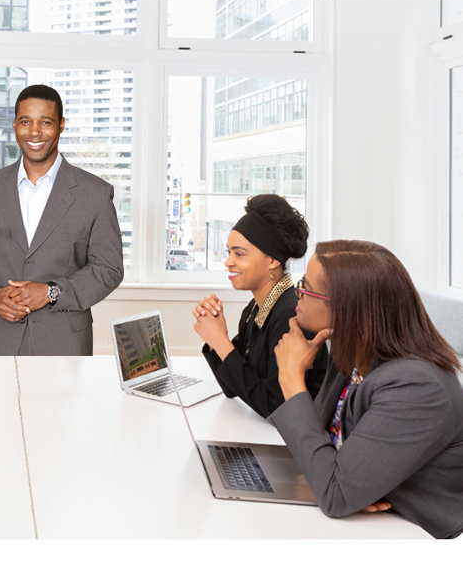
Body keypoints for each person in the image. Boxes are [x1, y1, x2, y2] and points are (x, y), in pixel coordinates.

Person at [272, 240, 463, 539]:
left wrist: (291, 379)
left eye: (306, 287)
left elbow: (334, 493)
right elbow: (323, 451)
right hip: (365, 526)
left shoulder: (418, 387)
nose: (297, 293)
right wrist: (347, 484)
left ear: (347, 308)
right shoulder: (349, 354)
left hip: (416, 535)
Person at [0, 85, 124, 356]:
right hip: (2, 339)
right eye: (26, 122)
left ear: (60, 125)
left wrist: (51, 292)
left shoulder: (95, 193)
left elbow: (108, 269)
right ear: (15, 125)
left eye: (45, 122)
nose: (35, 132)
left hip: (66, 346)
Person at [193, 194, 329, 418]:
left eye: (239, 254)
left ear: (273, 260)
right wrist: (216, 338)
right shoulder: (256, 308)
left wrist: (220, 341)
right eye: (228, 252)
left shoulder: (291, 315)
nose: (228, 262)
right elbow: (233, 387)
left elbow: (276, 408)